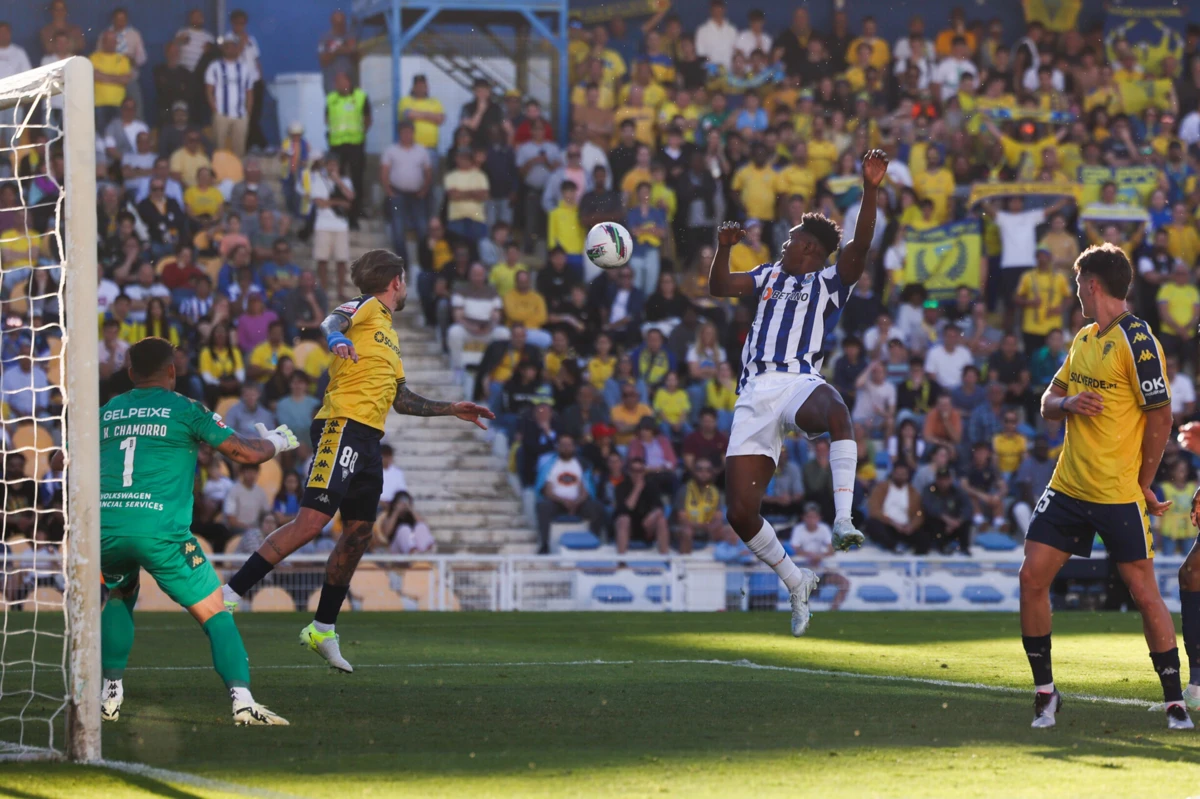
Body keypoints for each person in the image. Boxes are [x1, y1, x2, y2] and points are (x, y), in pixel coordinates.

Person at [221, 250, 494, 672]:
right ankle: (230, 595)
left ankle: (322, 629)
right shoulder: (367, 306)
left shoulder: (389, 335)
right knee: (312, 523)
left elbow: (401, 399)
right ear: (397, 282)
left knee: (359, 535)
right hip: (340, 424)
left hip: (370, 437)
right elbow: (333, 320)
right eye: (402, 280)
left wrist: (451, 408)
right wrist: (335, 338)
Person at [707, 149, 888, 636]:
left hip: (796, 381)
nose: (784, 242)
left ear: (809, 249)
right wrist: (723, 247)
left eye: (792, 239)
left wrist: (870, 190)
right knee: (740, 513)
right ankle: (796, 580)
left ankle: (844, 519)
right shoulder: (766, 275)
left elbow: (861, 244)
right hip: (752, 394)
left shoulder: (830, 281)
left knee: (836, 410)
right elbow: (720, 286)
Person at [1021, 243, 1189, 730]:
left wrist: (1142, 483)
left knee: (1144, 592)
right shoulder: (1084, 339)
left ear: (1093, 284)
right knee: (1031, 578)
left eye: (1077, 286)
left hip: (1116, 493)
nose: (1076, 294)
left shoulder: (1138, 340)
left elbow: (1161, 415)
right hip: (1068, 486)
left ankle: (1174, 701)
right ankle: (1046, 694)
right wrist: (1068, 402)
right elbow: (1047, 401)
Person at [98, 336, 297, 726]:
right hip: (161, 531)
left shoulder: (107, 410)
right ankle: (243, 701)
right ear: (172, 371)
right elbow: (246, 453)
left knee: (120, 594)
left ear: (131, 373)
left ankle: (110, 693)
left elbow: (61, 456)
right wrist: (274, 441)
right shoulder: (186, 408)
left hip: (109, 528)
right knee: (215, 613)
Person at [534, 434, 607, 554]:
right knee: (543, 506)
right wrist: (564, 501)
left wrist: (576, 502)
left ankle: (594, 542)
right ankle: (545, 544)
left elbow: (585, 489)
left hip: (578, 503)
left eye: (569, 445)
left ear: (574, 447)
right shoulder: (550, 465)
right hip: (557, 502)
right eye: (563, 445)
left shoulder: (582, 465)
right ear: (557, 447)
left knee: (596, 507)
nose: (566, 448)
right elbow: (547, 491)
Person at [325, 72, 371, 228]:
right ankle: (339, 210)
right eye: (336, 81)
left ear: (349, 81)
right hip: (337, 146)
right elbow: (327, 118)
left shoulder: (360, 96)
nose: (338, 84)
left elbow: (367, 118)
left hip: (355, 145)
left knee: (356, 180)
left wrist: (361, 133)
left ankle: (354, 215)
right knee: (338, 179)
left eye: (341, 80)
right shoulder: (331, 98)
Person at [204, 36, 255, 157]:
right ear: (223, 48)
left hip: (240, 116)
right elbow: (209, 91)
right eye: (227, 46)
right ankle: (219, 175)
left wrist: (247, 113)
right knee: (218, 150)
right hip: (221, 114)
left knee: (239, 151)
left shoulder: (244, 68)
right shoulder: (214, 67)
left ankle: (238, 175)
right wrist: (215, 110)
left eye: (233, 46)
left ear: (237, 48)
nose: (230, 49)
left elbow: (250, 93)